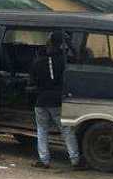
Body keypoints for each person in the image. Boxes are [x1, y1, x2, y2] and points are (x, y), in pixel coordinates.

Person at [30, 30, 84, 170]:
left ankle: (44, 160)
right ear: (61, 45)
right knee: (66, 130)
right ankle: (75, 160)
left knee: (42, 130)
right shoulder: (64, 62)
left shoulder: (38, 62)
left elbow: (33, 82)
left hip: (41, 101)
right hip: (57, 101)